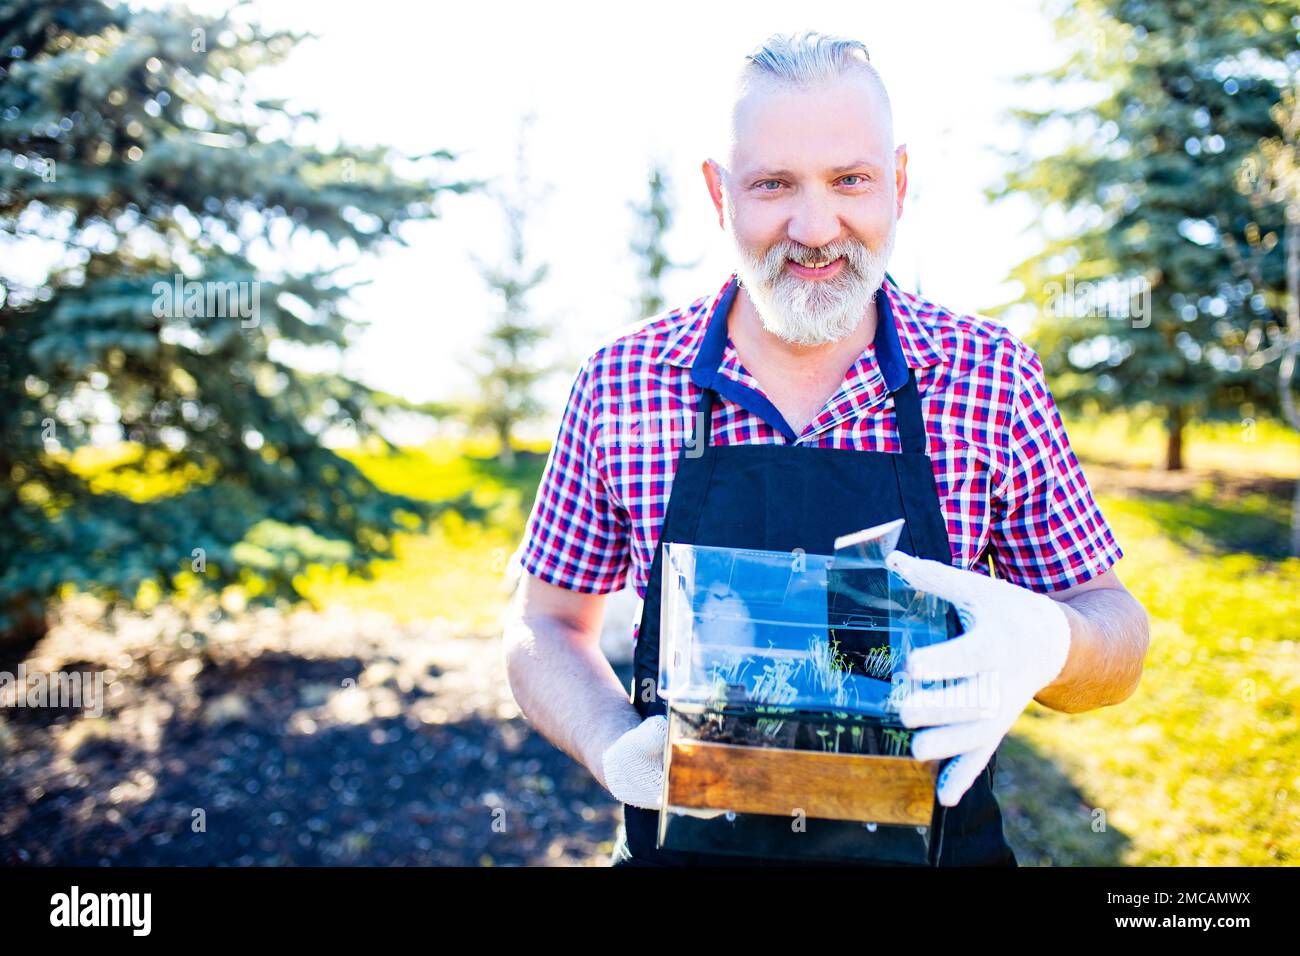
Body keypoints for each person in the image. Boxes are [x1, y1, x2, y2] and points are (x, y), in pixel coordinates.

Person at [502, 30, 1150, 866]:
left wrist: (1054, 642)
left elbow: (1117, 635)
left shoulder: (991, 377)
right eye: (774, 184)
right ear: (719, 193)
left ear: (900, 183)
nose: (815, 228)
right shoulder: (624, 381)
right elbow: (544, 622)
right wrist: (610, 743)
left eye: (851, 180)